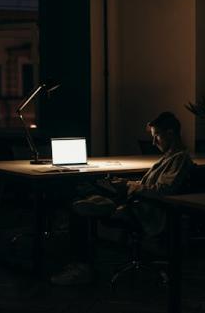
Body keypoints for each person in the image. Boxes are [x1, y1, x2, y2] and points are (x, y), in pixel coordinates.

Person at [51, 111, 193, 285]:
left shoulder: (179, 159)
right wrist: (126, 182)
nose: (154, 142)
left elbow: (162, 190)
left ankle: (81, 267)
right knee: (85, 192)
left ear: (170, 133)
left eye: (157, 136)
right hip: (138, 201)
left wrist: (128, 186)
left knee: (79, 209)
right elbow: (151, 185)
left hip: (146, 209)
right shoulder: (169, 158)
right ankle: (80, 262)